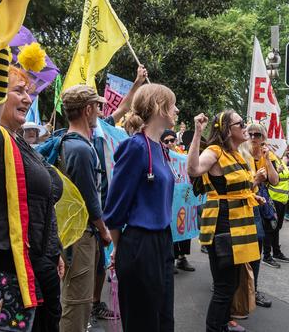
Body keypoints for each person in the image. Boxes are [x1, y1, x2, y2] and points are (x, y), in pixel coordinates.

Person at [0, 51, 63, 331]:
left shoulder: (19, 144)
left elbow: (39, 203)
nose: (28, 98)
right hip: (3, 289)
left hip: (39, 282)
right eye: (19, 91)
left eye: (29, 92)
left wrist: (53, 250)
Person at [103, 83, 179, 332]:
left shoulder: (161, 149)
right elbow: (114, 210)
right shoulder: (135, 147)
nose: (177, 110)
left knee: (163, 318)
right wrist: (119, 248)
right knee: (143, 322)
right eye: (173, 104)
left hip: (163, 242)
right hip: (140, 246)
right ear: (160, 107)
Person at [186, 110, 262, 332]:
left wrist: (252, 195)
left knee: (232, 284)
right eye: (241, 124)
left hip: (239, 225)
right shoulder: (215, 151)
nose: (246, 127)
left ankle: (224, 324)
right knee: (224, 286)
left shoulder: (237, 154)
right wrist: (197, 133)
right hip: (223, 226)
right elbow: (193, 169)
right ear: (228, 130)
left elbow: (237, 188)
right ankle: (215, 328)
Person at [91, 64, 146, 321]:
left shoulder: (104, 126)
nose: (102, 110)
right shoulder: (74, 137)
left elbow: (123, 107)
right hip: (87, 204)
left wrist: (137, 82)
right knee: (86, 260)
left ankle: (94, 302)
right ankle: (82, 306)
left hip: (103, 199)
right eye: (96, 106)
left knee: (101, 258)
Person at [57, 85, 113, 332]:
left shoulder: (73, 143)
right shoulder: (79, 148)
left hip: (78, 232)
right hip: (81, 235)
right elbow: (89, 199)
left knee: (77, 297)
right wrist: (103, 230)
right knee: (77, 300)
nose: (100, 112)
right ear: (87, 109)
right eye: (97, 107)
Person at [240, 122, 278, 308]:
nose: (254, 138)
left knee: (257, 248)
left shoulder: (266, 155)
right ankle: (236, 288)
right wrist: (256, 180)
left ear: (263, 138)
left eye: (258, 135)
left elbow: (275, 181)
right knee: (241, 249)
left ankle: (252, 290)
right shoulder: (239, 155)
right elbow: (239, 189)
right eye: (251, 134)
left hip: (260, 207)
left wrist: (268, 160)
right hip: (243, 206)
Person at [162, 129, 195, 273]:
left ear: (176, 141)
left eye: (172, 140)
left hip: (183, 199)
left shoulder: (183, 157)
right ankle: (171, 259)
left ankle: (182, 258)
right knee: (172, 229)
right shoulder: (161, 158)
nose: (170, 143)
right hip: (169, 200)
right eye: (166, 141)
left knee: (184, 227)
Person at [267, 153, 289, 265]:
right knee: (270, 228)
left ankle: (276, 252)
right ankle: (267, 256)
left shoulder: (281, 160)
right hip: (273, 199)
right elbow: (267, 178)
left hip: (282, 200)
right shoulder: (270, 159)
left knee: (277, 228)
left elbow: (287, 177)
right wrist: (276, 171)